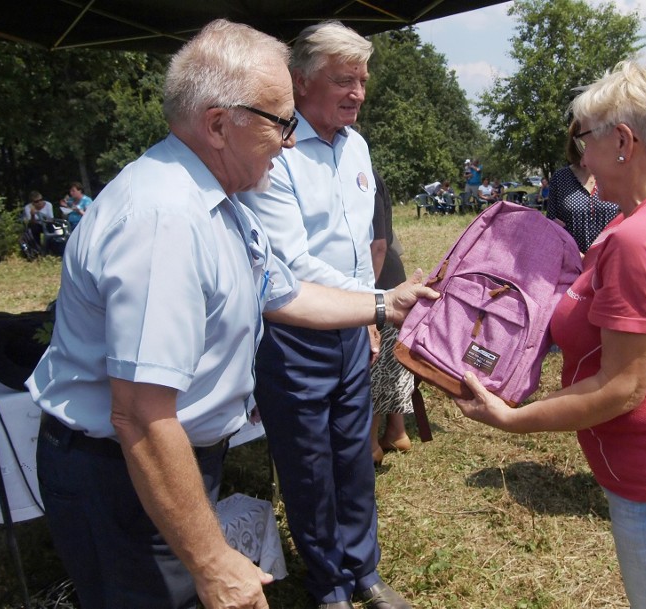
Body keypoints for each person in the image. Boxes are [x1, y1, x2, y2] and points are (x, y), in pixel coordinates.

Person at [27, 19, 437, 609]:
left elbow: (286, 293)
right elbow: (140, 416)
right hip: (125, 472)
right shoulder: (165, 220)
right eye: (279, 121)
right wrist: (212, 560)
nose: (292, 141)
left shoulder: (223, 202)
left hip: (163, 465)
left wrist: (383, 302)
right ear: (219, 124)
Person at [454, 59, 646, 609]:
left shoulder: (641, 238)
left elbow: (621, 388)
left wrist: (514, 419)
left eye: (585, 139)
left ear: (623, 141)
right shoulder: (644, 214)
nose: (581, 157)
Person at [240, 21, 413, 609]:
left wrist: (366, 309)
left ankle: (364, 570)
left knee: (354, 458)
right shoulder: (276, 153)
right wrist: (373, 304)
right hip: (293, 334)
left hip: (351, 328)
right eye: (344, 79)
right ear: (301, 82)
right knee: (310, 469)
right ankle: (329, 585)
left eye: (362, 80)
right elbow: (293, 262)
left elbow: (363, 241)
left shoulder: (357, 146)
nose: (358, 92)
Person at [369, 169, 415, 466]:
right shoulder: (374, 174)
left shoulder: (361, 174)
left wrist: (368, 299)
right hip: (390, 276)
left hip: (377, 278)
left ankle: (371, 443)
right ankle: (397, 431)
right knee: (391, 360)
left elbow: (378, 244)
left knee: (375, 365)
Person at [546, 121, 620, 253]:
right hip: (573, 264)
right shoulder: (560, 178)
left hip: (610, 260)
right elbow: (551, 226)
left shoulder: (614, 175)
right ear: (575, 141)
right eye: (584, 140)